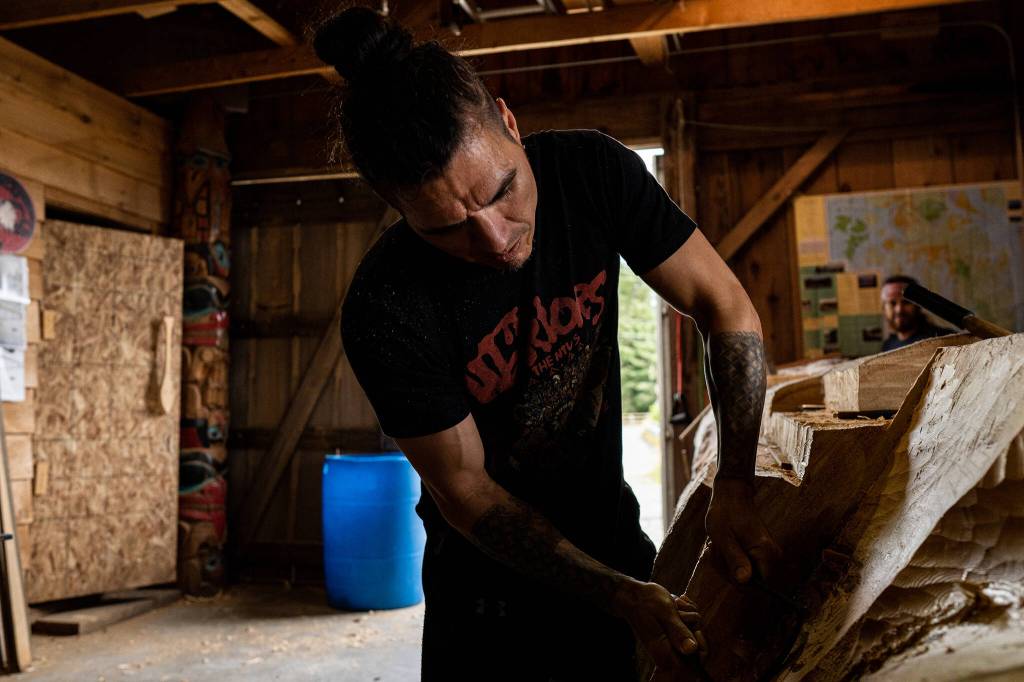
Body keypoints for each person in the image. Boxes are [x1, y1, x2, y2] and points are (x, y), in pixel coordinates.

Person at [316, 8, 781, 680]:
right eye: (448, 229)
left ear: (508, 122)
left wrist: (735, 482)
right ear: (396, 206)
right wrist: (616, 594)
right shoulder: (386, 307)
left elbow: (724, 302)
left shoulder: (590, 172)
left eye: (502, 191)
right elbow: (468, 492)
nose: (496, 239)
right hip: (484, 599)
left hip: (613, 535)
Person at [880, 275, 954, 352]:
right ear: (884, 308)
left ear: (918, 305)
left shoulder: (945, 339)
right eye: (892, 303)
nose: (899, 310)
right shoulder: (887, 346)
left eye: (906, 302)